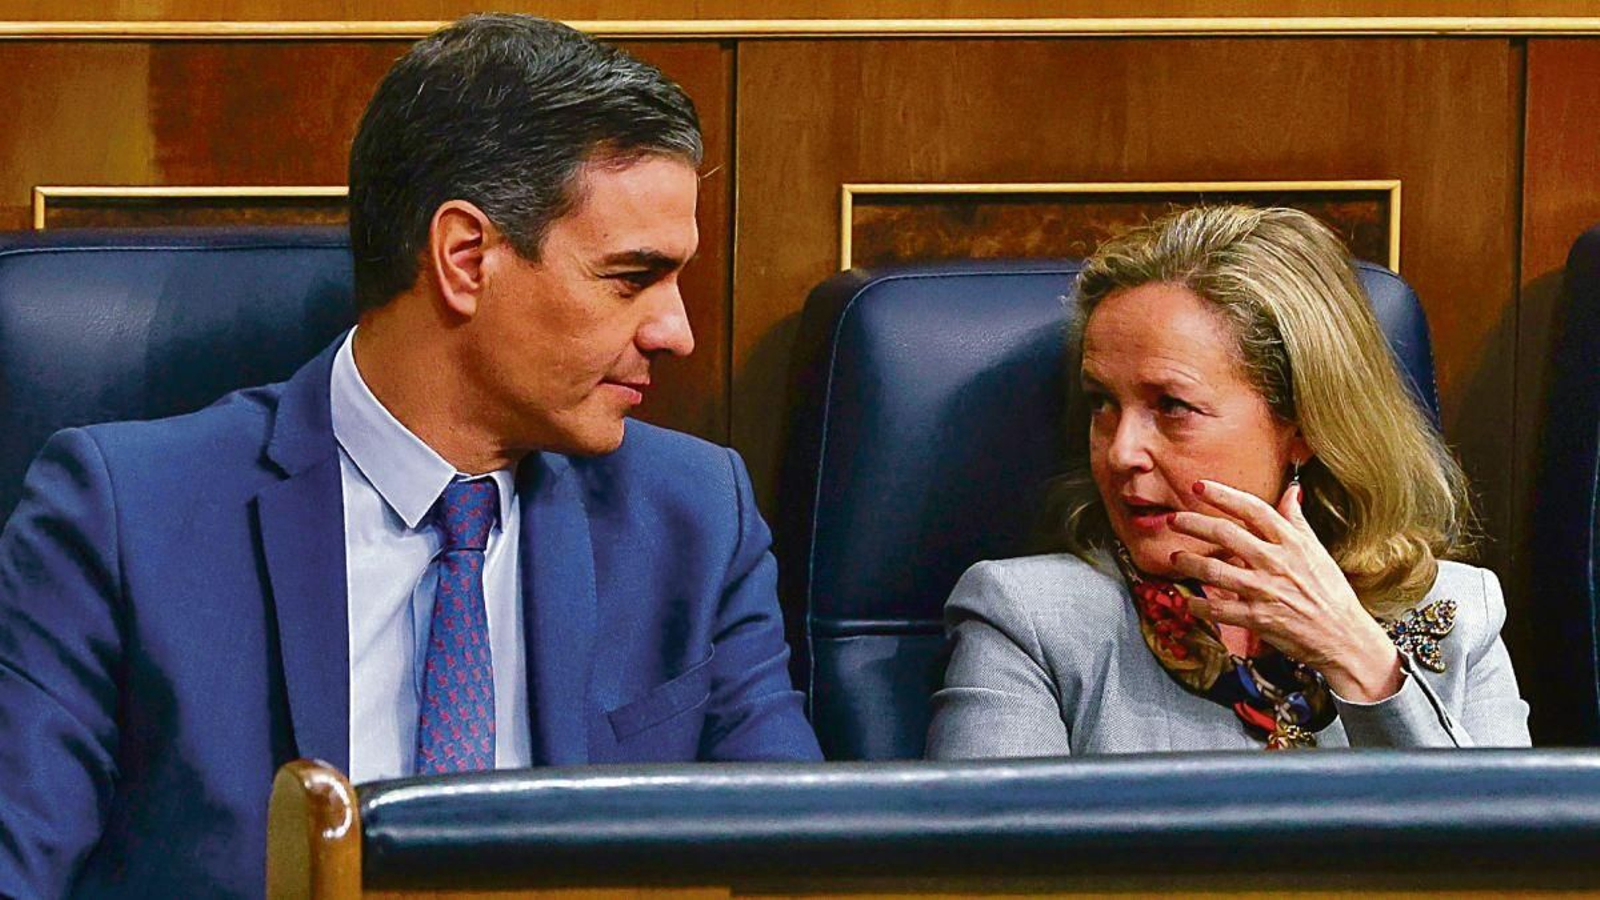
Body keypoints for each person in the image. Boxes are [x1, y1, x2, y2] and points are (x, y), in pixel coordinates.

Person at [0, 15, 820, 898]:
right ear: (466, 259)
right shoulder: (125, 517)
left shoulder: (695, 518)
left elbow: (796, 869)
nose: (677, 332)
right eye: (631, 279)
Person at [926, 205, 1529, 758]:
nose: (1120, 452)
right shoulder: (1030, 619)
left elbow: (1513, 863)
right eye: (1101, 403)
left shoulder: (1453, 613)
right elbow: (983, 866)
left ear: (1304, 425)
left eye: (1172, 406)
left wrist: (1360, 659)